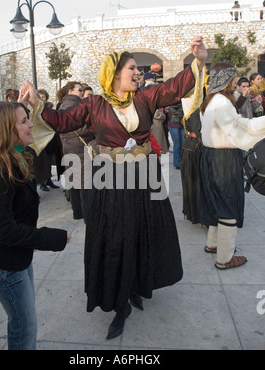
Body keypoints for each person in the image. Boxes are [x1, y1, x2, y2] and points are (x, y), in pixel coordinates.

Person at [21, 36, 208, 340]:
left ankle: (138, 286)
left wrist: (198, 61)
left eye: (137, 69)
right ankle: (121, 303)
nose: (138, 73)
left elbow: (174, 87)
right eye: (132, 68)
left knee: (144, 230)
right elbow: (61, 120)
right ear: (115, 73)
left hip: (146, 175)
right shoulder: (94, 103)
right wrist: (34, 103)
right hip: (111, 178)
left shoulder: (146, 97)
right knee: (118, 235)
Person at [0, 101, 71, 350]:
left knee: (24, 322)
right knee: (24, 326)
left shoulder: (16, 155)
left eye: (28, 118)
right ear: (6, 129)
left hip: (15, 258)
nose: (30, 125)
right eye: (24, 121)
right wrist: (50, 238)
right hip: (2, 265)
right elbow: (2, 227)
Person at [199, 62, 265, 270]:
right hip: (223, 158)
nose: (236, 82)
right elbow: (237, 127)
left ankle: (214, 244)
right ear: (225, 79)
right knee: (228, 203)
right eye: (233, 79)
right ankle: (225, 257)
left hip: (210, 155)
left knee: (216, 200)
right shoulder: (221, 102)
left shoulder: (210, 100)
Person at [58, 81, 95, 222]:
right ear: (70, 91)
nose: (81, 91)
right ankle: (87, 216)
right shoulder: (73, 105)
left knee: (75, 182)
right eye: (79, 89)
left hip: (71, 147)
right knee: (84, 184)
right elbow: (81, 128)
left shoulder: (64, 105)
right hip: (79, 147)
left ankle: (78, 213)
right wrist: (93, 126)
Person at [32, 89, 62, 191]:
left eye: (43, 97)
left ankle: (48, 180)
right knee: (41, 163)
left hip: (50, 140)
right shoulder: (34, 110)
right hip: (39, 140)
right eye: (40, 97)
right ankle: (42, 182)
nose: (42, 99)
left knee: (48, 161)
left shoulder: (48, 109)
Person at [167, 103, 185, 169]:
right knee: (177, 144)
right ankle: (177, 163)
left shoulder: (184, 103)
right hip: (173, 124)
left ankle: (181, 162)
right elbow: (180, 113)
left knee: (182, 144)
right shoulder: (171, 103)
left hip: (181, 124)